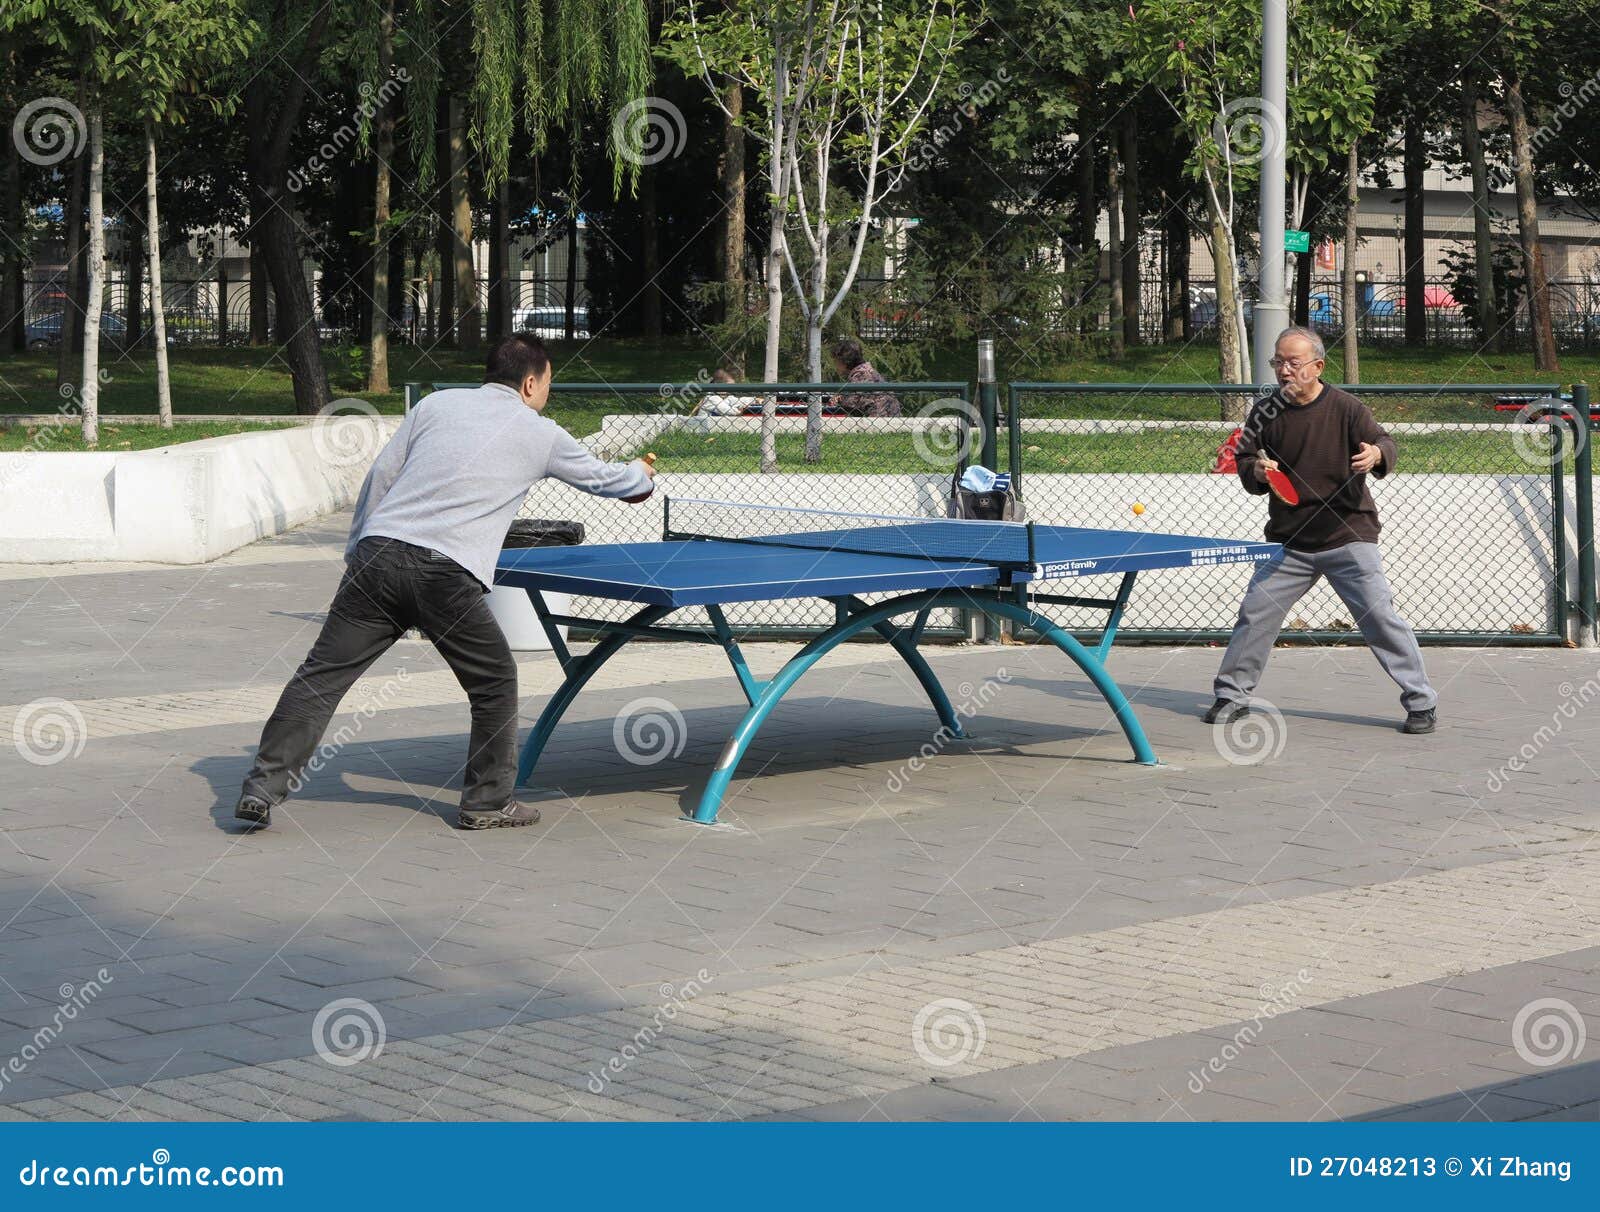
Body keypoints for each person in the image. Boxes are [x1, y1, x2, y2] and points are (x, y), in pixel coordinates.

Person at [234, 334, 656, 832]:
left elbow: (381, 478)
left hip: (378, 555)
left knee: (321, 677)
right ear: (529, 383)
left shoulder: (435, 405)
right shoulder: (538, 431)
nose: (546, 394)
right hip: (445, 573)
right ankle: (486, 802)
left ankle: (262, 787)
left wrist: (357, 552)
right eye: (547, 384)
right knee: (494, 682)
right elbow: (615, 484)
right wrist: (641, 473)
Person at [1205, 326, 1437, 735]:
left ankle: (1421, 703)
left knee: (1380, 617)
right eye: (1278, 362)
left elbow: (1384, 441)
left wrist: (1377, 454)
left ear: (1317, 365)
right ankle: (1231, 696)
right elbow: (1244, 460)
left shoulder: (1347, 408)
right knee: (1255, 616)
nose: (1283, 370)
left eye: (1293, 362)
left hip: (1348, 534)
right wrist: (1256, 470)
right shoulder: (1265, 412)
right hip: (1289, 541)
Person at [830, 337, 901, 417]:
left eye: (836, 361)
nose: (835, 366)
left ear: (844, 361)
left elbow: (850, 404)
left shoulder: (860, 375)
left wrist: (837, 401)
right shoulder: (867, 371)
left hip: (878, 419)